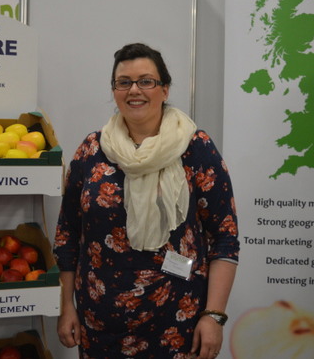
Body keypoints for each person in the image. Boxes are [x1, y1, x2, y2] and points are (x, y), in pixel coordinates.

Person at [53, 43, 239, 359]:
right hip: (100, 323)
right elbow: (67, 234)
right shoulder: (92, 150)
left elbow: (225, 236)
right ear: (114, 91)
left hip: (177, 321)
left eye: (146, 81)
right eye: (124, 82)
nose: (134, 90)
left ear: (164, 89)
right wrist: (65, 306)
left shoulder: (196, 148)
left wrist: (214, 315)